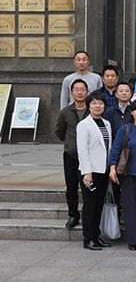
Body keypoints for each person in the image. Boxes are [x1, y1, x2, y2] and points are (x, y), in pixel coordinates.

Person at [108, 99, 136, 250]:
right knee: (131, 207)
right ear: (132, 112)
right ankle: (134, 240)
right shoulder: (126, 129)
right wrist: (112, 168)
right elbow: (116, 149)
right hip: (129, 174)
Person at [76, 91, 112, 250]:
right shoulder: (84, 125)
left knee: (99, 205)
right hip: (89, 172)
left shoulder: (106, 123)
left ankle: (96, 235)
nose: (98, 106)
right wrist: (87, 172)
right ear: (89, 106)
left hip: (103, 170)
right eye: (94, 103)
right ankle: (88, 238)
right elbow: (82, 150)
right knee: (90, 205)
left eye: (101, 103)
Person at [55, 79, 89, 229]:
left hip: (89, 157)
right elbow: (59, 131)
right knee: (71, 187)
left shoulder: (92, 110)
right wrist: (69, 144)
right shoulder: (65, 112)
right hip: (71, 155)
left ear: (87, 92)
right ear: (72, 93)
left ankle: (88, 216)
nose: (80, 92)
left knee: (88, 187)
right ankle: (73, 215)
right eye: (77, 90)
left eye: (82, 90)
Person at [103, 81, 134, 149]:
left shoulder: (135, 110)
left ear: (131, 94)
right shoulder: (110, 112)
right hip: (115, 146)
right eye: (121, 91)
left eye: (127, 91)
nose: (124, 93)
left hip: (132, 146)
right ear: (116, 94)